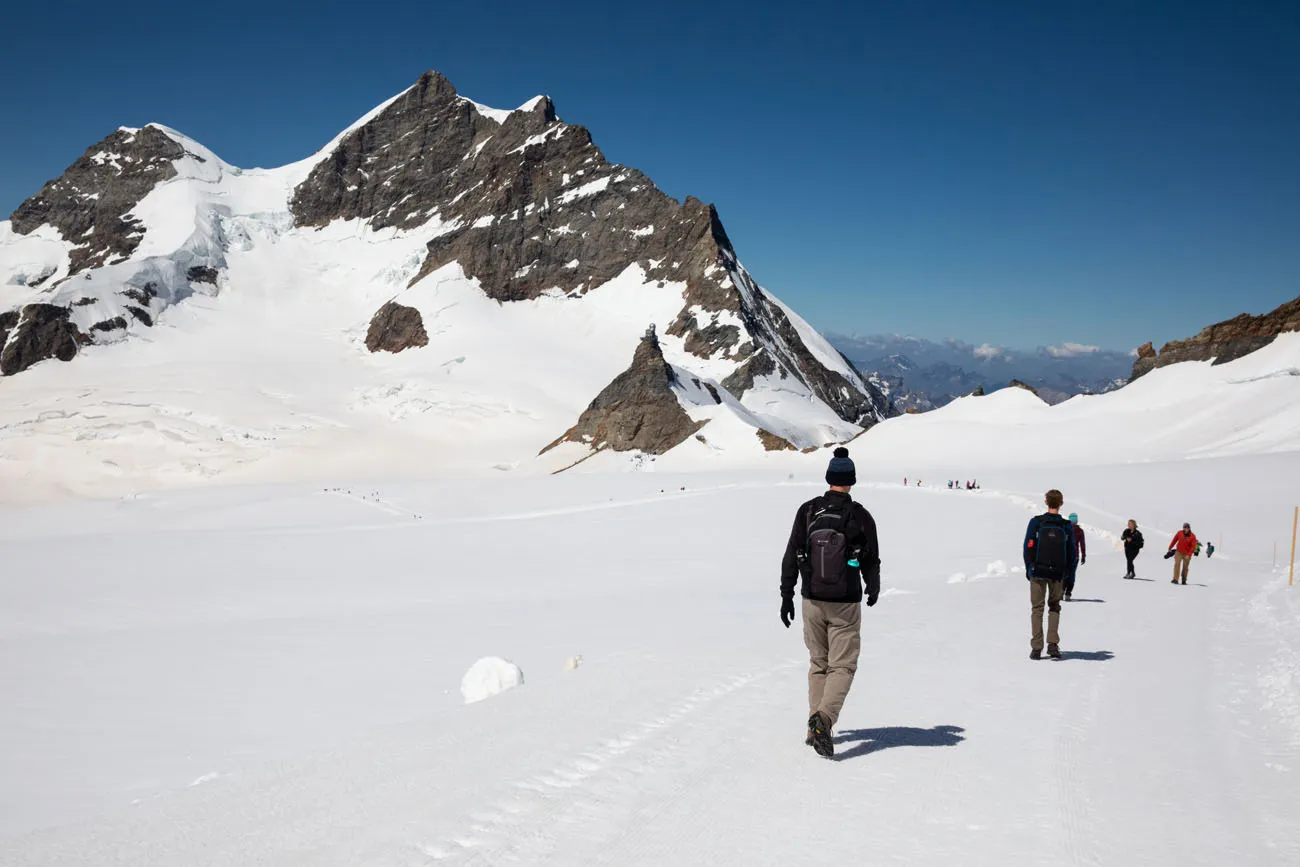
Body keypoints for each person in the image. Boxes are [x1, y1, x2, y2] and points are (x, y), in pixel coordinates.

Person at [780, 447, 881, 758]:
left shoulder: (808, 511)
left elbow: (791, 554)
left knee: (818, 664)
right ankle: (823, 719)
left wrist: (786, 594)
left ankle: (814, 729)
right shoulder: (861, 516)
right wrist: (872, 587)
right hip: (845, 602)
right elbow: (871, 558)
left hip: (811, 598)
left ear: (828, 479)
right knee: (843, 665)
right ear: (850, 481)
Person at [1023, 489, 1077, 659]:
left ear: (1046, 502)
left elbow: (1027, 547)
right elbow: (1072, 553)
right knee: (1054, 607)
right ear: (1061, 503)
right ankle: (1052, 645)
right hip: (1058, 573)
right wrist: (1067, 573)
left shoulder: (1036, 522)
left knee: (1037, 608)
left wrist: (1029, 568)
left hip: (1038, 571)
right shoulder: (1066, 525)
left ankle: (1036, 647)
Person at [1063, 512, 1086, 600]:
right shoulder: (1080, 531)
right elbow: (1082, 544)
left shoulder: (1065, 529)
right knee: (1072, 574)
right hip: (1075, 555)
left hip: (1065, 554)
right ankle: (1068, 592)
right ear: (1076, 521)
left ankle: (1062, 590)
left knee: (1064, 572)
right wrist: (1083, 555)